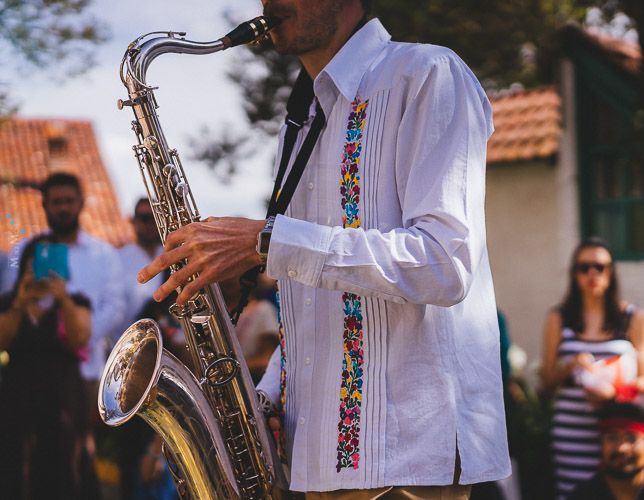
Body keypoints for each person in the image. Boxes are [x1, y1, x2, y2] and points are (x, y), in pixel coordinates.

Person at [137, 0, 510, 497]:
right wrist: (264, 399)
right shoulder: (302, 121)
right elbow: (314, 305)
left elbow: (444, 263)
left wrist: (264, 241)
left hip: (410, 460)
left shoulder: (426, 74)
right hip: (318, 462)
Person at [540, 237, 644, 499]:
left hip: (619, 434)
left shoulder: (634, 318)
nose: (593, 273)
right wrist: (570, 366)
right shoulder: (559, 317)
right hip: (572, 431)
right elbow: (545, 384)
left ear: (611, 272)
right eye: (584, 267)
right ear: (574, 273)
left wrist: (613, 391)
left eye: (600, 267)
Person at [2, 172, 125, 409]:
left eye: (69, 201)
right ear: (45, 205)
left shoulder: (104, 255)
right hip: (27, 372)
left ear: (80, 203)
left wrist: (77, 338)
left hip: (85, 371)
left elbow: (115, 308)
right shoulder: (21, 252)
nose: (64, 208)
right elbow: (7, 301)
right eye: (56, 202)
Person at [0, 235, 101, 499]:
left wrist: (63, 299)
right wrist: (20, 303)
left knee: (64, 466)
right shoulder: (9, 301)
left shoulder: (76, 301)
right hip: (18, 398)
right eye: (36, 262)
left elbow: (80, 337)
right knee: (18, 466)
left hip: (63, 398)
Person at [117, 197, 164, 337]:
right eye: (144, 218)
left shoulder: (171, 255)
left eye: (154, 218)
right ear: (133, 220)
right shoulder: (119, 258)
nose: (150, 224)